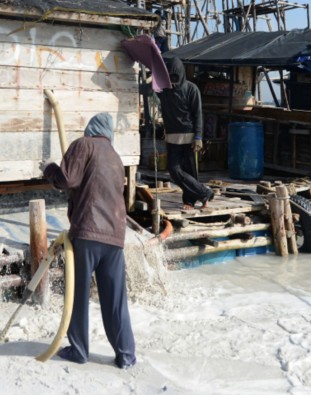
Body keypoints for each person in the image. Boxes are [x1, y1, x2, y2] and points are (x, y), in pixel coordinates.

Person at [41, 113, 137, 370]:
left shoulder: (84, 145)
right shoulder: (115, 157)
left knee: (78, 293)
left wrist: (49, 169)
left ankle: (79, 350)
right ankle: (126, 354)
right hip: (116, 236)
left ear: (91, 129)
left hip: (88, 233)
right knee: (115, 300)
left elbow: (67, 179)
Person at [158, 57, 213, 209]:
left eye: (175, 77)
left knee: (190, 171)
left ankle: (190, 201)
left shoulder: (191, 88)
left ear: (181, 75)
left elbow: (198, 114)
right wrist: (154, 76)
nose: (173, 81)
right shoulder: (164, 90)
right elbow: (145, 89)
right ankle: (204, 192)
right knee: (174, 170)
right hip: (172, 137)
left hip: (189, 136)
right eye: (171, 77)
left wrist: (198, 137)